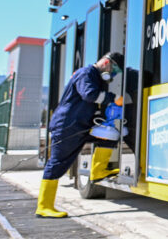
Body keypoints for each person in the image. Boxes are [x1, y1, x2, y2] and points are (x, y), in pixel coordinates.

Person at [36, 52, 123, 218]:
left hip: (81, 125)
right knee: (58, 162)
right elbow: (89, 94)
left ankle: (98, 172)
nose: (113, 74)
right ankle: (44, 206)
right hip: (67, 126)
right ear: (106, 62)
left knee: (109, 135)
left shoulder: (96, 77)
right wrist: (114, 98)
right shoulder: (86, 73)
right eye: (114, 70)